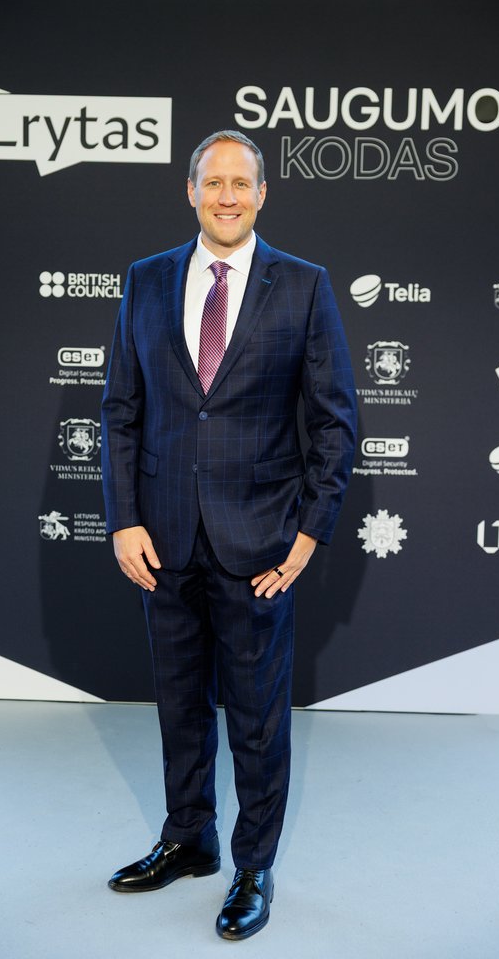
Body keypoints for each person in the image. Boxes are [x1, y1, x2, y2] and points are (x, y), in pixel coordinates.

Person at [101, 129, 357, 940]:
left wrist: (309, 536)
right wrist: (124, 519)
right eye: (213, 182)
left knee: (256, 718)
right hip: (163, 538)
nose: (227, 196)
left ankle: (252, 866)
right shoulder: (145, 280)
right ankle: (189, 840)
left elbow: (335, 422)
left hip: (260, 543)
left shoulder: (305, 286)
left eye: (241, 183)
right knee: (179, 704)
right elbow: (120, 411)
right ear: (190, 191)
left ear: (262, 193)